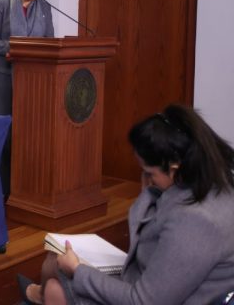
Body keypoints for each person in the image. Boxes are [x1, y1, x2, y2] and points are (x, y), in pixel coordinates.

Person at [18, 104, 234, 305]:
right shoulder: (213, 181)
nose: (147, 180)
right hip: (150, 282)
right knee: (55, 259)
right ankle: (40, 295)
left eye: (149, 174)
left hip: (145, 295)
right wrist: (150, 188)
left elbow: (143, 301)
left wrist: (78, 270)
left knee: (57, 283)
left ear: (175, 168)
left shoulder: (195, 222)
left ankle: (41, 296)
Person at [0, 0, 54, 198]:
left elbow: (49, 42)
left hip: (34, 78)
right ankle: (4, 190)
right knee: (8, 131)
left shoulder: (45, 8)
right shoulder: (1, 4)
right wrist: (10, 50)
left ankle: (26, 189)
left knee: (29, 132)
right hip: (3, 74)